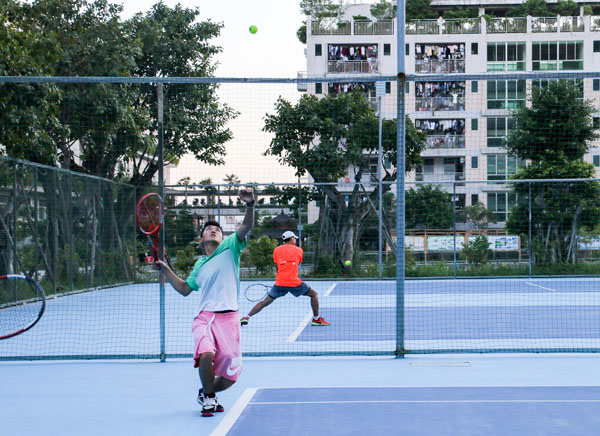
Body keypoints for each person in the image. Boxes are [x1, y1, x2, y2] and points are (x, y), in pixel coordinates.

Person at [155, 188, 255, 417]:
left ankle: (206, 392)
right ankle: (209, 398)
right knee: (206, 354)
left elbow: (246, 225)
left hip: (230, 319)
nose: (214, 230)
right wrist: (166, 270)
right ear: (202, 239)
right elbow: (184, 289)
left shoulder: (231, 246)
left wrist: (250, 205)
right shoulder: (199, 265)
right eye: (209, 229)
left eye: (217, 229)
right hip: (206, 317)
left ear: (222, 237)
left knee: (230, 377)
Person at [240, 230, 330, 327]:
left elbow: (278, 266)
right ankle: (316, 319)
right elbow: (296, 264)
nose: (295, 240)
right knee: (314, 294)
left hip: (279, 283)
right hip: (294, 282)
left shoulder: (276, 250)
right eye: (294, 238)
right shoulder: (299, 250)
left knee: (265, 301)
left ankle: (247, 317)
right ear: (291, 239)